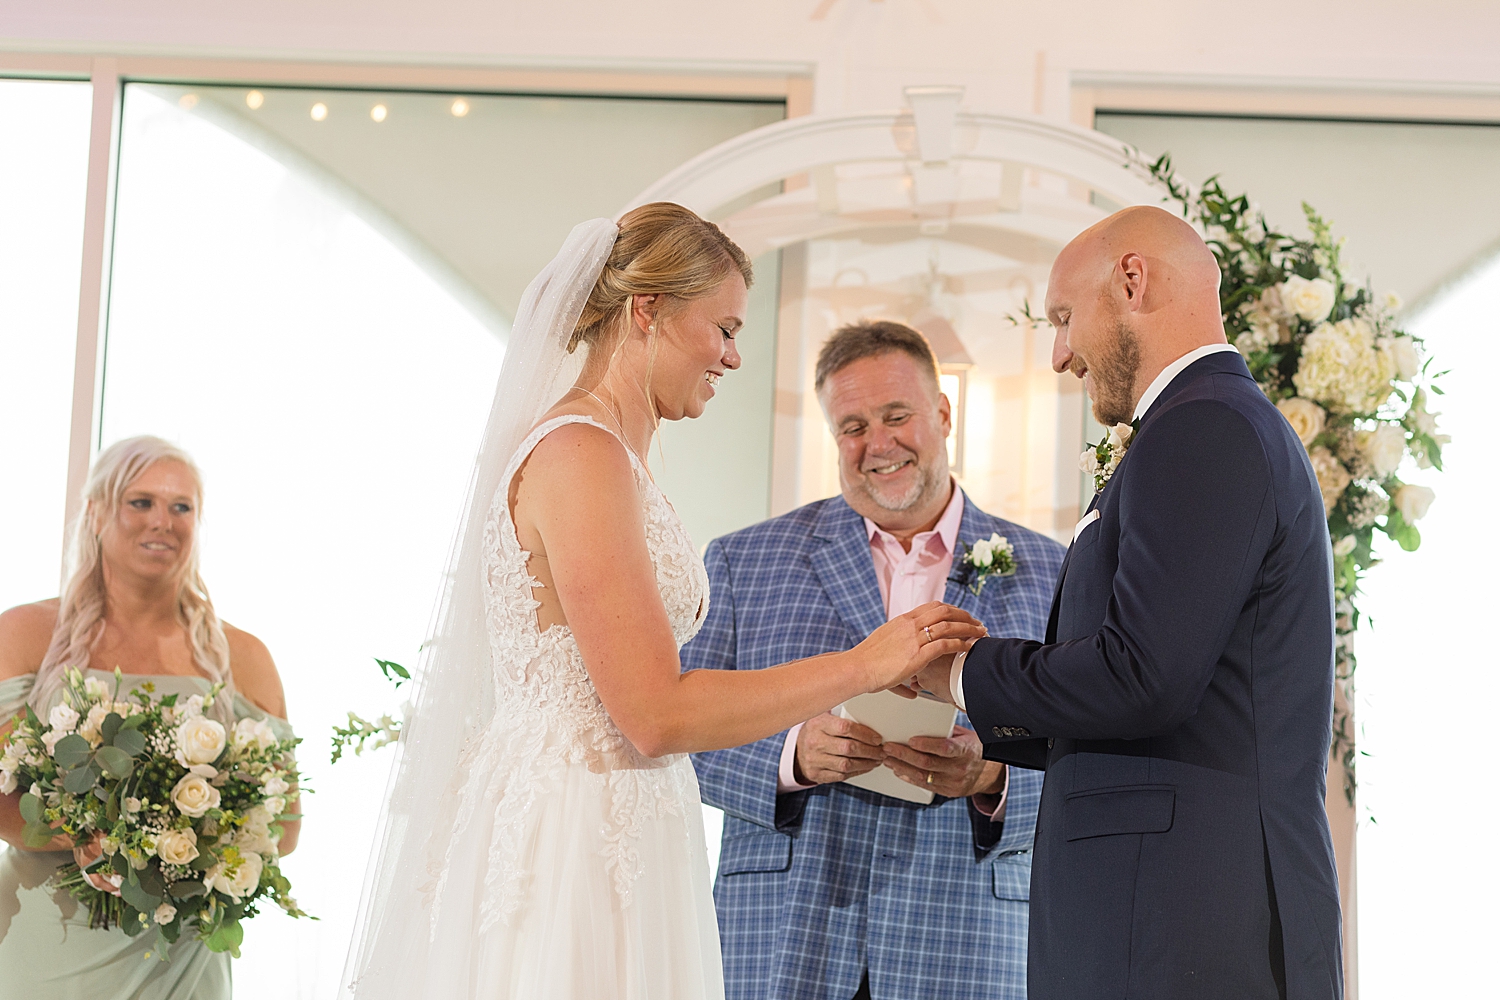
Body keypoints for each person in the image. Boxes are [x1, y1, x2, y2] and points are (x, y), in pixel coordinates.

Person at [341, 205, 982, 1000]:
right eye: (723, 327)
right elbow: (655, 712)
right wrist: (861, 666)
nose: (733, 356)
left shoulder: (616, 455)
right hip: (573, 829)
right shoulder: (581, 453)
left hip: (626, 815)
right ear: (649, 311)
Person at [911, 206, 1343, 999]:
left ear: (1132, 280)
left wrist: (964, 673)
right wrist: (993, 741)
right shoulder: (1199, 425)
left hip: (1179, 920)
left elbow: (1145, 674)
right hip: (1163, 913)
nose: (1058, 354)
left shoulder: (1204, 427)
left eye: (1065, 318)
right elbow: (1180, 693)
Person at [684, 320, 1065, 1000]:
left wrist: (992, 775)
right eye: (852, 425)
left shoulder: (1053, 570)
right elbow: (677, 734)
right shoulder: (743, 561)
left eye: (897, 416)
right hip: (786, 934)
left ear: (943, 414)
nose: (878, 444)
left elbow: (1090, 750)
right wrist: (790, 756)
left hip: (970, 939)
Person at [0, 435, 299, 999]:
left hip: (181, 949)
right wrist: (83, 838)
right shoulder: (22, 634)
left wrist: (189, 843)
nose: (163, 520)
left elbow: (285, 826)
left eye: (181, 506)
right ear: (96, 513)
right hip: (46, 934)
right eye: (141, 502)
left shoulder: (246, 656)